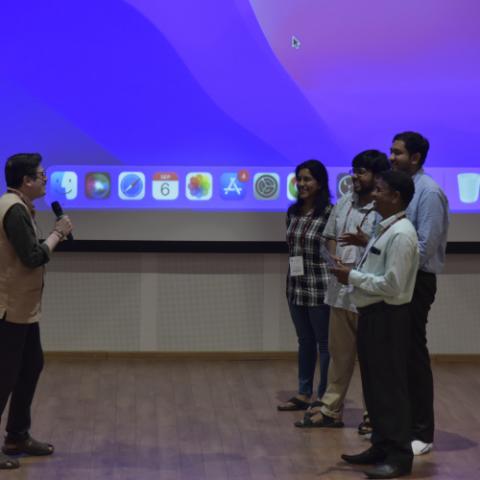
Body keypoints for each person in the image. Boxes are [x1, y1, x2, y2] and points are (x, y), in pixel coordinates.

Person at [332, 170, 419, 479]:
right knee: (374, 386)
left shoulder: (402, 234)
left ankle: (399, 457)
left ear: (396, 196)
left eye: (380, 190)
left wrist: (352, 276)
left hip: (388, 318)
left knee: (390, 389)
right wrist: (353, 271)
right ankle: (380, 446)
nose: (373, 195)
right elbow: (380, 271)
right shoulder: (386, 229)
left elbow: (393, 285)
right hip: (373, 316)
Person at [294, 150, 390, 428]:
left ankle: (373, 416)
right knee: (339, 358)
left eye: (361, 172)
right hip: (339, 292)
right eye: (353, 170)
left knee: (372, 361)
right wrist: (333, 257)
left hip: (368, 294)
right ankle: (330, 410)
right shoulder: (346, 200)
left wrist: (365, 241)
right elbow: (329, 235)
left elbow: (390, 247)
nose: (354, 177)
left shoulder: (384, 207)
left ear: (377, 176)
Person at [0, 153, 73, 470]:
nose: (45, 180)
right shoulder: (13, 209)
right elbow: (32, 257)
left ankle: (17, 436)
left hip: (23, 307)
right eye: (41, 175)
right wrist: (58, 234)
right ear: (26, 181)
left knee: (31, 365)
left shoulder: (19, 206)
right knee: (4, 376)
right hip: (9, 308)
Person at [389, 131, 449, 455]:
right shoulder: (399, 189)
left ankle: (423, 433)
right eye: (391, 151)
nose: (391, 157)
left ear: (415, 158)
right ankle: (402, 426)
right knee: (398, 355)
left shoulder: (429, 192)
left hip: (416, 280)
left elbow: (424, 245)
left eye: (398, 152)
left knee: (413, 355)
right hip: (397, 279)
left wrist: (394, 267)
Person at [277, 160, 332, 411]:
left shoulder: (330, 213)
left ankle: (325, 397)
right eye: (298, 179)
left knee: (325, 344)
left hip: (320, 287)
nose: (302, 184)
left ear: (319, 183)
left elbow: (334, 252)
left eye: (307, 179)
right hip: (295, 286)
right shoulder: (293, 212)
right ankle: (303, 392)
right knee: (304, 341)